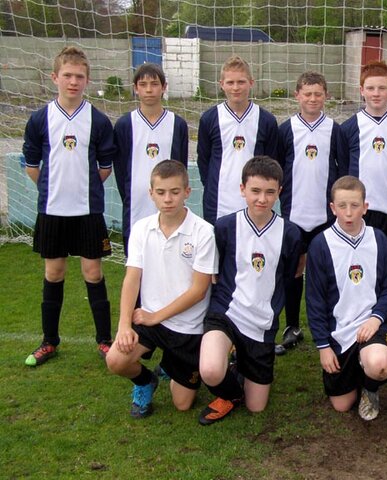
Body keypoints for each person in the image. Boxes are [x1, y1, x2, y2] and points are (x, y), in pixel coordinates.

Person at [22, 46, 116, 366]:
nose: (73, 82)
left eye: (79, 76)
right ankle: (49, 341)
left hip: (88, 212)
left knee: (93, 272)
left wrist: (82, 191)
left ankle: (105, 340)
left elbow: (105, 167)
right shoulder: (39, 119)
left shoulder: (99, 121)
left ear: (87, 80)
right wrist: (53, 191)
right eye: (67, 75)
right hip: (52, 211)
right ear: (55, 78)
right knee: (54, 271)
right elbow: (32, 164)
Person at [106, 160, 217, 418]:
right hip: (150, 320)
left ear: (187, 192)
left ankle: (171, 364)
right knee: (115, 360)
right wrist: (124, 325)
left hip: (187, 327)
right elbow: (132, 278)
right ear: (151, 194)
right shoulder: (142, 229)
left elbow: (199, 290)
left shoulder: (203, 232)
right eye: (161, 192)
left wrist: (156, 316)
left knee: (182, 404)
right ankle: (145, 381)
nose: (168, 199)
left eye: (175, 192)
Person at [198, 156, 302, 425]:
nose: (262, 199)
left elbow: (291, 275)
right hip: (226, 314)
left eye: (269, 192)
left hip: (262, 323)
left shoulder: (290, 233)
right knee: (209, 370)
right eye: (255, 191)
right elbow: (215, 273)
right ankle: (229, 394)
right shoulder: (224, 227)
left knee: (257, 407)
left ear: (279, 192)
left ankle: (240, 365)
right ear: (242, 189)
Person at [306, 176, 387, 421]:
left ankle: (370, 388)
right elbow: (315, 301)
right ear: (332, 208)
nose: (349, 213)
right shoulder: (320, 244)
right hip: (339, 335)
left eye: (355, 206)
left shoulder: (379, 240)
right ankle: (358, 370)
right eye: (342, 206)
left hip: (372, 327)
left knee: (380, 364)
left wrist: (376, 319)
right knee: (342, 405)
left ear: (365, 207)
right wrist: (323, 347)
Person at [275, 71, 340, 355]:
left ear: (326, 96)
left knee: (327, 270)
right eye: (307, 93)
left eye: (318, 94)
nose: (312, 99)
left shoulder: (335, 129)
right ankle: (292, 326)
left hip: (326, 215)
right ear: (297, 95)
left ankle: (330, 323)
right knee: (294, 270)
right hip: (295, 214)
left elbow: (344, 168)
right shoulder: (285, 130)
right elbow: (276, 169)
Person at [338, 60, 387, 265]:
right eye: (371, 88)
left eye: (382, 88)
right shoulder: (348, 127)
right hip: (357, 211)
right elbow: (345, 171)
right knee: (356, 266)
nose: (376, 93)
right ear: (362, 90)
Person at [113, 63, 189, 255]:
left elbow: (181, 167)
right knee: (138, 268)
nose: (149, 89)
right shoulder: (124, 124)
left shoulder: (177, 124)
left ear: (164, 88)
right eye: (143, 84)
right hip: (136, 208)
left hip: (170, 206)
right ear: (135, 88)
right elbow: (121, 170)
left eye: (154, 84)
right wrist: (132, 195)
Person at [197, 55, 279, 225]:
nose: (235, 88)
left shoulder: (266, 120)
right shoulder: (210, 118)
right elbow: (204, 160)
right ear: (221, 84)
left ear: (251, 82)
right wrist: (213, 186)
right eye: (230, 82)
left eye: (241, 82)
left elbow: (272, 162)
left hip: (256, 203)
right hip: (218, 204)